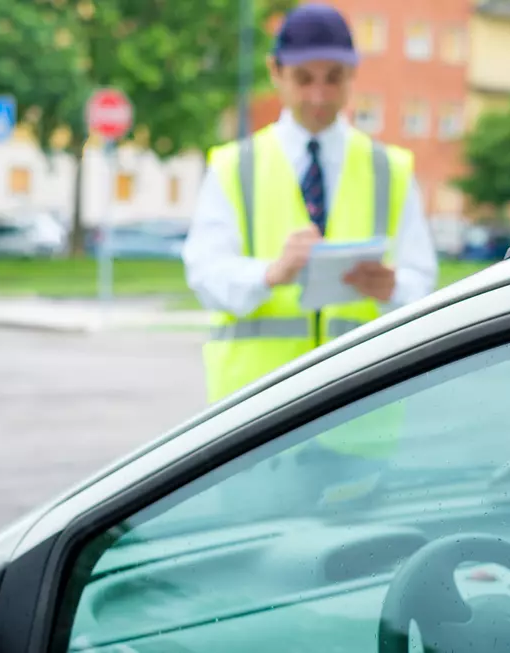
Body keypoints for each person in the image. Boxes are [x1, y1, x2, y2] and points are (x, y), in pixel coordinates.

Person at [182, 3, 438, 512]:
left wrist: (394, 289)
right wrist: (270, 272)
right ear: (276, 74)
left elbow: (422, 282)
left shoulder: (391, 169)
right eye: (304, 79)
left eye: (333, 79)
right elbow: (205, 273)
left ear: (351, 77)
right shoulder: (234, 167)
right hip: (255, 422)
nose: (319, 96)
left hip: (362, 420)